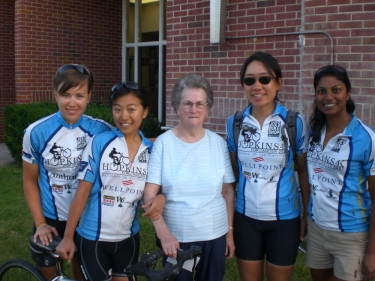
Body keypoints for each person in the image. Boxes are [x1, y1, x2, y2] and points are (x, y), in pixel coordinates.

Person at [56, 82, 164, 281]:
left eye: (131, 109)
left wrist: (161, 199)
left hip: (128, 238)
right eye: (117, 109)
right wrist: (68, 237)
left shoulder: (152, 151)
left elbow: (158, 190)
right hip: (93, 238)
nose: (124, 116)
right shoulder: (100, 142)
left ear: (145, 111)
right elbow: (82, 192)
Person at [22, 64, 113, 280]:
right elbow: (29, 180)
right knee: (50, 275)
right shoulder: (36, 132)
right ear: (55, 94)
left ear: (89, 96)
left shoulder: (102, 130)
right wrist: (41, 223)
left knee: (81, 271)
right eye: (65, 94)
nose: (72, 102)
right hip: (50, 218)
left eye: (79, 95)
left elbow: (135, 143)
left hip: (87, 220)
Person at [142, 73, 236, 281]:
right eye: (187, 104)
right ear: (176, 107)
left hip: (215, 235)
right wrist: (163, 234)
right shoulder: (163, 144)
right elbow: (149, 194)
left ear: (207, 108)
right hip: (177, 240)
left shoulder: (218, 144)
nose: (194, 109)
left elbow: (228, 191)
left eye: (199, 104)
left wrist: (229, 233)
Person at [226, 52, 310, 281]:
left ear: (278, 83)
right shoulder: (235, 123)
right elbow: (234, 172)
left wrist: (306, 214)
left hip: (285, 219)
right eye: (249, 80)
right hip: (245, 217)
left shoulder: (294, 122)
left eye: (265, 79)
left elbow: (303, 170)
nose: (257, 86)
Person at [306, 65, 375, 281]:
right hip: (317, 229)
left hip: (351, 234)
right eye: (321, 91)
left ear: (348, 93)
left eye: (336, 90)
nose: (328, 96)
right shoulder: (313, 132)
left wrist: (372, 251)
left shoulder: (366, 138)